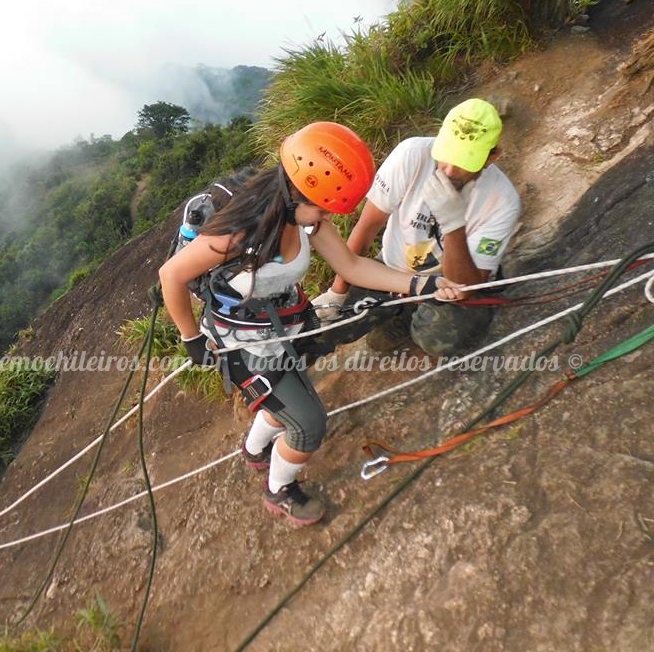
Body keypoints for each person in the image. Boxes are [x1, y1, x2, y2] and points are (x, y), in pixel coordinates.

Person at [158, 122, 463, 526]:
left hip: (285, 324)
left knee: (287, 395)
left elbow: (351, 265)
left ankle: (253, 452)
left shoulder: (304, 214)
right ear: (300, 192)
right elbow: (171, 275)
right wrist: (191, 338)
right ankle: (278, 489)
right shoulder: (238, 232)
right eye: (322, 208)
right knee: (308, 426)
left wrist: (421, 284)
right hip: (245, 346)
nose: (324, 218)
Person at [312, 98, 521, 356]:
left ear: (492, 157)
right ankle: (404, 308)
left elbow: (464, 288)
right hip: (393, 269)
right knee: (323, 330)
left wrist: (453, 224)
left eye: (464, 161)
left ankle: (414, 314)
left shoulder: (503, 201)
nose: (449, 170)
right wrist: (337, 293)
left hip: (450, 284)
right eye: (447, 155)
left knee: (438, 339)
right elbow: (368, 226)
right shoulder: (412, 154)